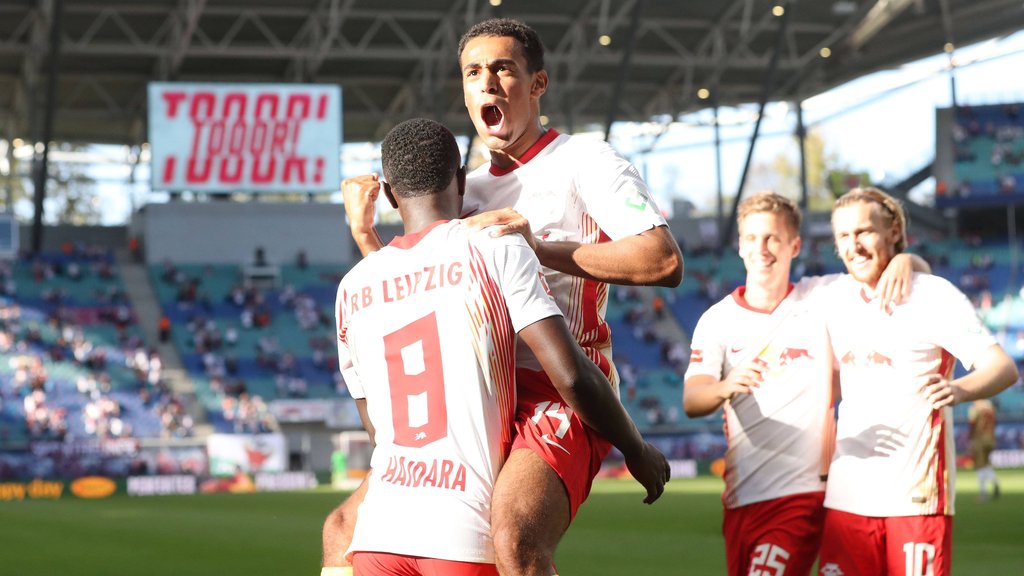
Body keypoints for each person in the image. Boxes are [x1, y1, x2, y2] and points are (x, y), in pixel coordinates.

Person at [327, 18, 684, 575]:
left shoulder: (586, 161)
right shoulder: (463, 188)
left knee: (512, 537)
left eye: (503, 69)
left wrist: (538, 247)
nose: (488, 82)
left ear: (537, 84)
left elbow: (661, 260)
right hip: (475, 396)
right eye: (474, 72)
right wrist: (368, 239)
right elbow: (417, 290)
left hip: (558, 390)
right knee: (343, 529)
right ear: (465, 93)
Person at [682, 192, 923, 576]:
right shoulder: (717, 320)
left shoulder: (821, 297)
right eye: (752, 238)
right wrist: (725, 388)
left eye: (773, 238)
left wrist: (908, 259)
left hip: (804, 494)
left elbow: (888, 273)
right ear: (740, 246)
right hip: (743, 497)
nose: (762, 249)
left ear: (794, 245)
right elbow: (693, 399)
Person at [818, 186, 1018, 576]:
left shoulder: (934, 296)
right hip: (847, 498)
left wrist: (960, 390)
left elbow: (1002, 368)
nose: (853, 245)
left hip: (916, 499)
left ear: (893, 231)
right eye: (843, 236)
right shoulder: (831, 297)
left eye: (864, 232)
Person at [968, 398, 1000, 501]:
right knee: (986, 463)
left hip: (979, 439)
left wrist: (970, 438)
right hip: (990, 438)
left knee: (979, 465)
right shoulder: (990, 407)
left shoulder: (975, 408)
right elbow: (995, 422)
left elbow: (972, 423)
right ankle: (995, 482)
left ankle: (983, 493)